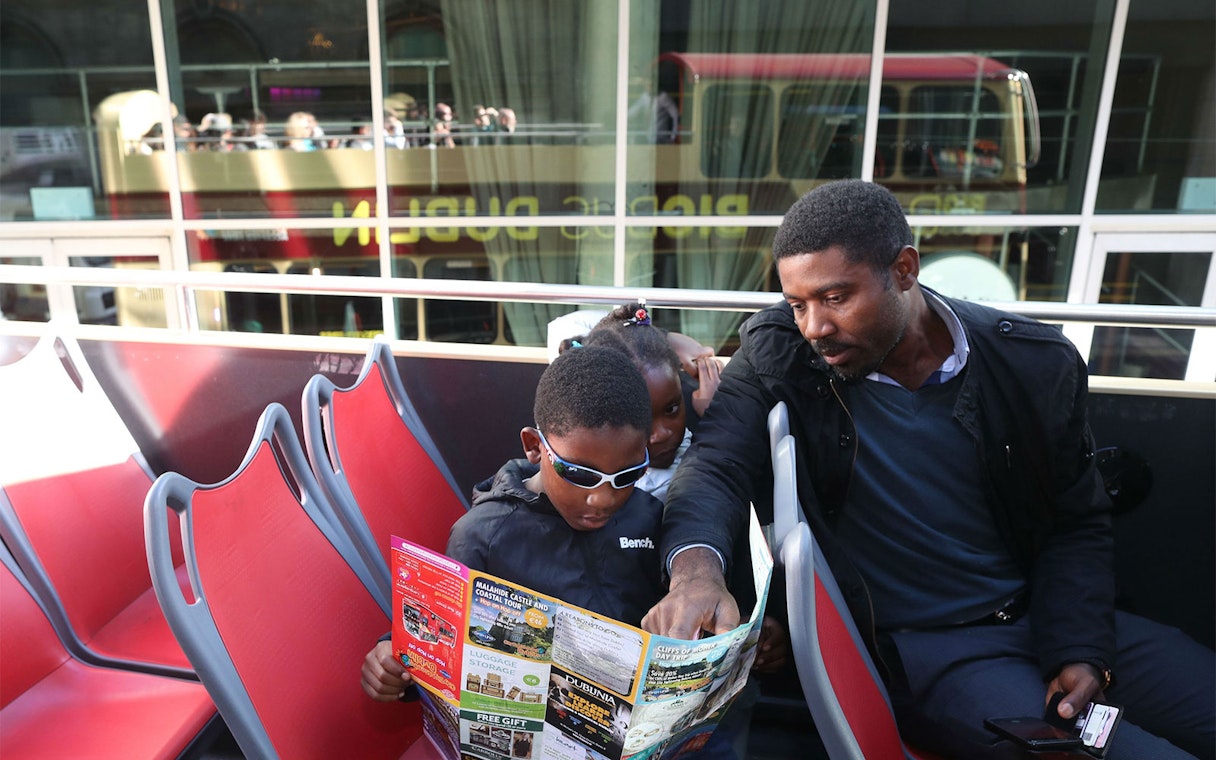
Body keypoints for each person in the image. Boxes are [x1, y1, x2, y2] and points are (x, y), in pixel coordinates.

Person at [643, 179, 1216, 760]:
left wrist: (1082, 647)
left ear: (904, 270)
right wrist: (695, 575)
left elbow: (1076, 519)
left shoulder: (1034, 364)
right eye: (797, 304)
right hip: (935, 660)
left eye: (836, 297)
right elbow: (714, 464)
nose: (813, 327)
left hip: (1055, 614)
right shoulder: (780, 352)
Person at [362, 345, 663, 701]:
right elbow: (438, 641)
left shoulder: (648, 515)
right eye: (580, 474)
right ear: (535, 447)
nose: (603, 498)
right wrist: (391, 663)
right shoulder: (484, 536)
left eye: (627, 475)